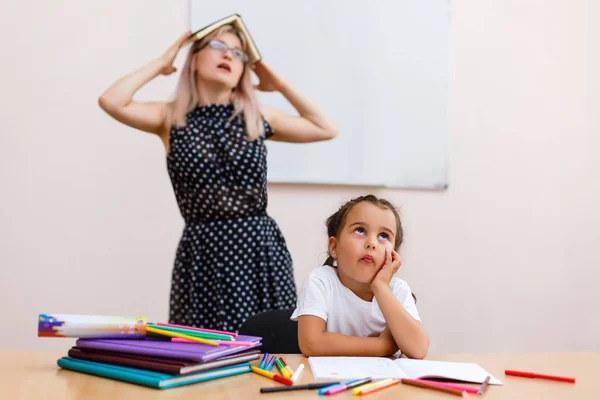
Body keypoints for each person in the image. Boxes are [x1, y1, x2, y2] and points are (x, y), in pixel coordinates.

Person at [98, 25, 338, 332]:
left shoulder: (255, 116)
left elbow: (325, 127)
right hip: (203, 253)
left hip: (258, 250)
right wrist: (161, 63)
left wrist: (275, 81)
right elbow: (111, 100)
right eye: (217, 45)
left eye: (238, 53)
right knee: (202, 356)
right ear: (194, 59)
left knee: (271, 348)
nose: (228, 54)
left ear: (243, 71)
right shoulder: (170, 117)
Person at [291, 195, 429, 358]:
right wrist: (381, 346)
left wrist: (380, 287)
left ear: (394, 255)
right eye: (360, 230)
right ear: (334, 247)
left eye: (384, 236)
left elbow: (418, 349)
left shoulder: (397, 290)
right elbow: (310, 343)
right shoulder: (321, 281)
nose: (372, 243)